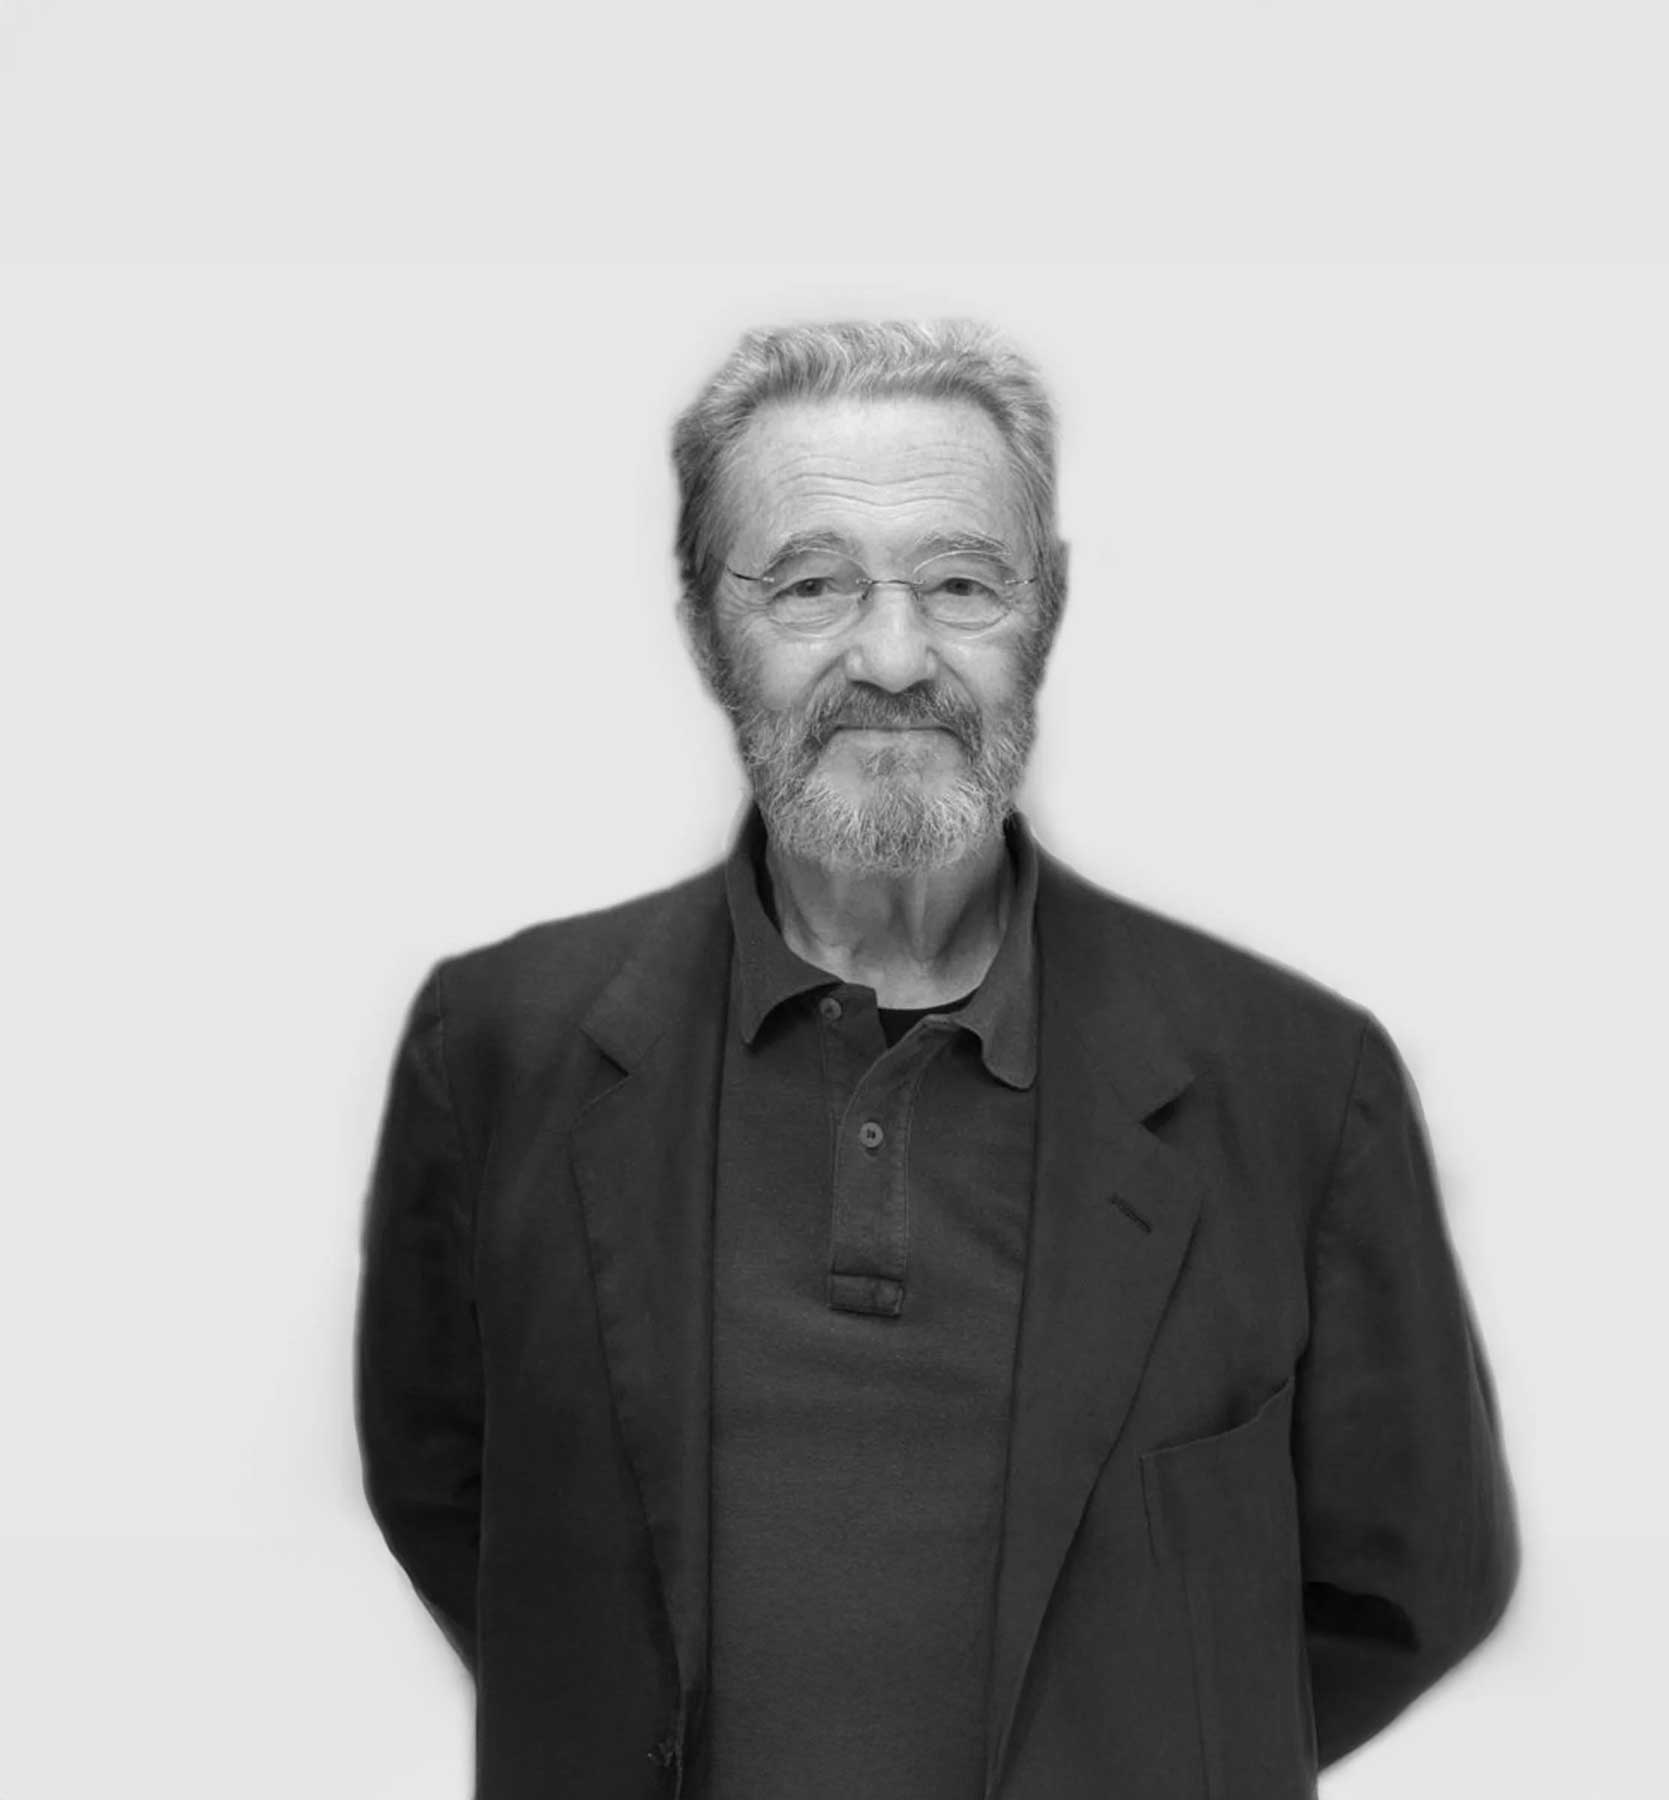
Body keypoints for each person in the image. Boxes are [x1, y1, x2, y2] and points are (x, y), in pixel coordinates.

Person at [355, 318, 1519, 1800]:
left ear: (1049, 609)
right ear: (706, 627)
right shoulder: (494, 1049)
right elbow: (463, 1511)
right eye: (812, 583)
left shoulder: (1300, 1084)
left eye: (961, 582)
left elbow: (1416, 1582)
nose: (894, 657)